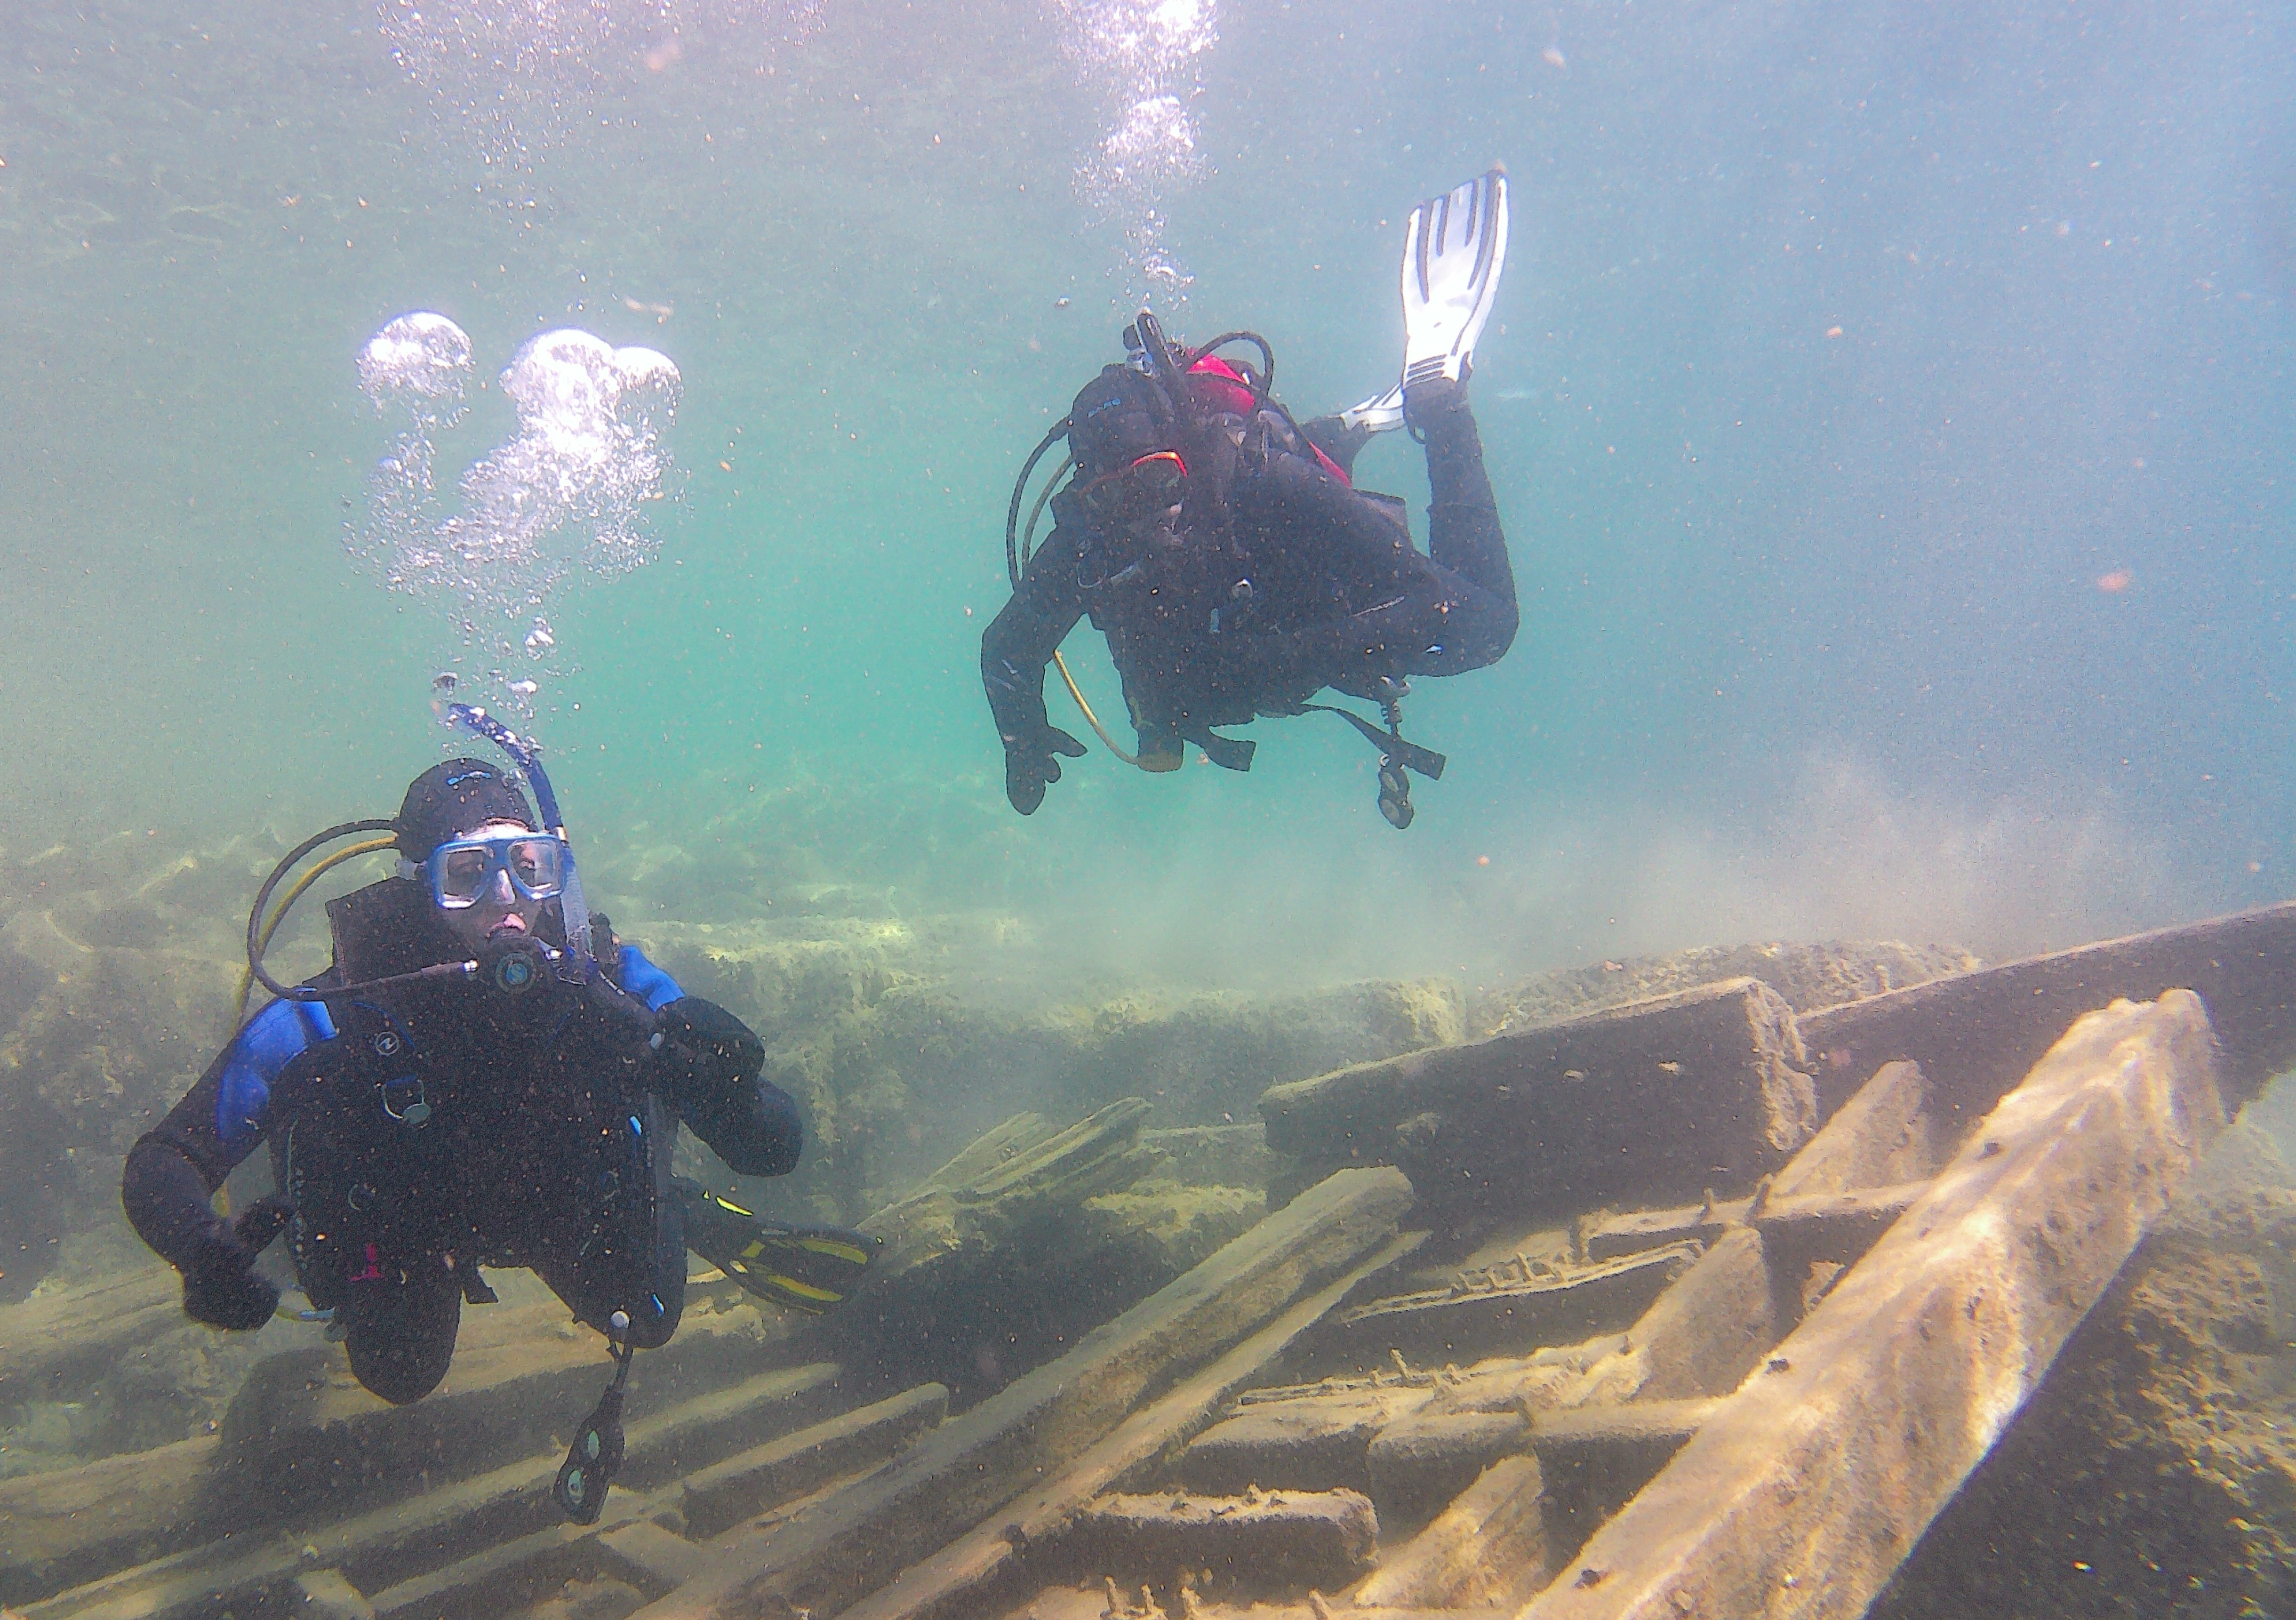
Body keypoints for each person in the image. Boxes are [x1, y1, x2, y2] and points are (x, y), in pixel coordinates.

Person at [121, 753, 805, 1406]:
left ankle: (672, 1196)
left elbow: (776, 1150)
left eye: (529, 865)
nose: (506, 898)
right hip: (415, 1231)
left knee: (648, 1317)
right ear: (421, 885)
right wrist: (197, 1247)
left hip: (558, 1199)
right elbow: (166, 1156)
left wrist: (727, 1093)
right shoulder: (339, 1013)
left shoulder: (611, 984)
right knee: (398, 1372)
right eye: (468, 873)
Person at [982, 170, 1519, 828]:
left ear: (1186, 460)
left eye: (1157, 483)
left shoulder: (1260, 483)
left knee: (1489, 628)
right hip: (1253, 661)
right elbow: (1007, 646)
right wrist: (1021, 734)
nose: (1144, 519)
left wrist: (1290, 656)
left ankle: (1438, 403)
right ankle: (1339, 432)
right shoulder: (1093, 538)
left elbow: (1438, 603)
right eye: (1114, 500)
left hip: (1316, 600)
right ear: (1086, 496)